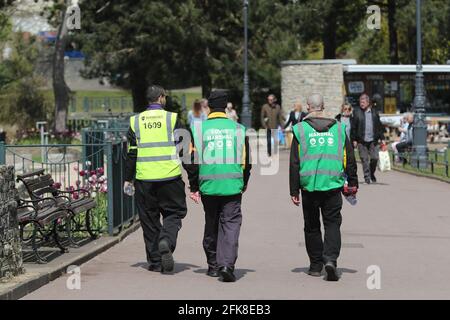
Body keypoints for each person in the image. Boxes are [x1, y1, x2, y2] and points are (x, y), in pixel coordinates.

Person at [124, 85, 193, 274]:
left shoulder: (135, 122)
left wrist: (128, 179)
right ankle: (167, 240)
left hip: (145, 179)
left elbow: (131, 153)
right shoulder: (172, 119)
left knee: (149, 219)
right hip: (169, 177)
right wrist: (193, 179)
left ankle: (155, 261)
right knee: (174, 213)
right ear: (161, 98)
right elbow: (186, 151)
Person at [290, 93, 358, 282]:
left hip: (309, 187)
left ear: (308, 107)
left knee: (311, 227)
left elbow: (295, 162)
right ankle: (331, 260)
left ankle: (315, 265)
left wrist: (293, 190)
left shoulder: (300, 130)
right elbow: (349, 158)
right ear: (323, 106)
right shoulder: (338, 129)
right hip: (332, 185)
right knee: (332, 224)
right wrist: (353, 182)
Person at [187, 90, 252, 283]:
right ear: (225, 106)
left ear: (209, 106)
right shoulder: (239, 129)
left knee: (212, 223)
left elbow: (190, 161)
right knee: (231, 224)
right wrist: (245, 181)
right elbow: (247, 161)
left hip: (208, 185)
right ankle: (227, 265)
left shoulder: (198, 130)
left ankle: (213, 265)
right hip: (232, 185)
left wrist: (194, 186)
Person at [350, 93, 384, 184]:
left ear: (368, 102)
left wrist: (382, 138)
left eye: (363, 102)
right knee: (364, 159)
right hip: (361, 140)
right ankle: (367, 178)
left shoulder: (374, 112)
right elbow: (353, 127)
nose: (361, 104)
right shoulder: (356, 112)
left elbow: (379, 126)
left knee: (375, 158)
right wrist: (354, 139)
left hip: (373, 139)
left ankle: (371, 173)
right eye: (360, 102)